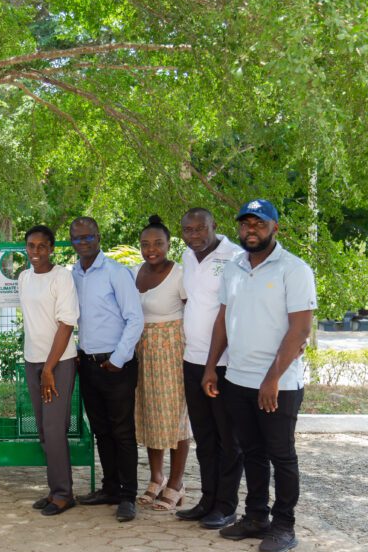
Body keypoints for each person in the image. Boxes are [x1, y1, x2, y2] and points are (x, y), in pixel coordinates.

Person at [203, 199, 316, 552]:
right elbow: (223, 320)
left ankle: (284, 526)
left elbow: (300, 329)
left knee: (281, 455)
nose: (251, 230)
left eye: (259, 223)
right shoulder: (233, 268)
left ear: (274, 228)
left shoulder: (294, 269)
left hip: (278, 385)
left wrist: (272, 379)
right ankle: (256, 517)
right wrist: (211, 366)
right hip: (237, 379)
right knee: (252, 452)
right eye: (246, 223)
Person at [70, 216, 145, 522]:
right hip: (88, 364)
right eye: (77, 238)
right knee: (101, 431)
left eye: (88, 236)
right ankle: (110, 488)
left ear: (98, 237)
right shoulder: (73, 274)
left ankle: (128, 496)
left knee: (122, 432)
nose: (83, 242)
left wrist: (118, 358)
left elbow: (135, 318)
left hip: (117, 365)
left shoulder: (116, 272)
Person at [177, 207, 244, 529]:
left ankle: (226, 506)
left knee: (228, 438)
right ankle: (208, 500)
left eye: (200, 229)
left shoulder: (236, 257)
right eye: (188, 230)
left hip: (222, 365)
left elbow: (234, 312)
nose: (194, 236)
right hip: (192, 360)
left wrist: (212, 365)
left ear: (214, 225)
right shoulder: (187, 258)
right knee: (204, 437)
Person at [19, 225, 80, 516]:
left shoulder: (62, 277)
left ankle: (64, 495)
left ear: (52, 248)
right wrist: (38, 365)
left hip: (58, 363)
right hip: (33, 360)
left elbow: (66, 324)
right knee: (44, 430)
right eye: (31, 246)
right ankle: (55, 489)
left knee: (55, 429)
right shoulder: (24, 278)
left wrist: (49, 368)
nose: (36, 251)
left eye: (42, 246)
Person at [131, 215, 191, 512]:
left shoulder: (180, 275)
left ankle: (176, 484)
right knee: (150, 415)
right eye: (145, 244)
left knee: (175, 417)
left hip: (171, 350)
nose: (151, 249)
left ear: (169, 244)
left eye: (158, 243)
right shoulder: (133, 272)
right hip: (142, 350)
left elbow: (194, 312)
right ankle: (156, 477)